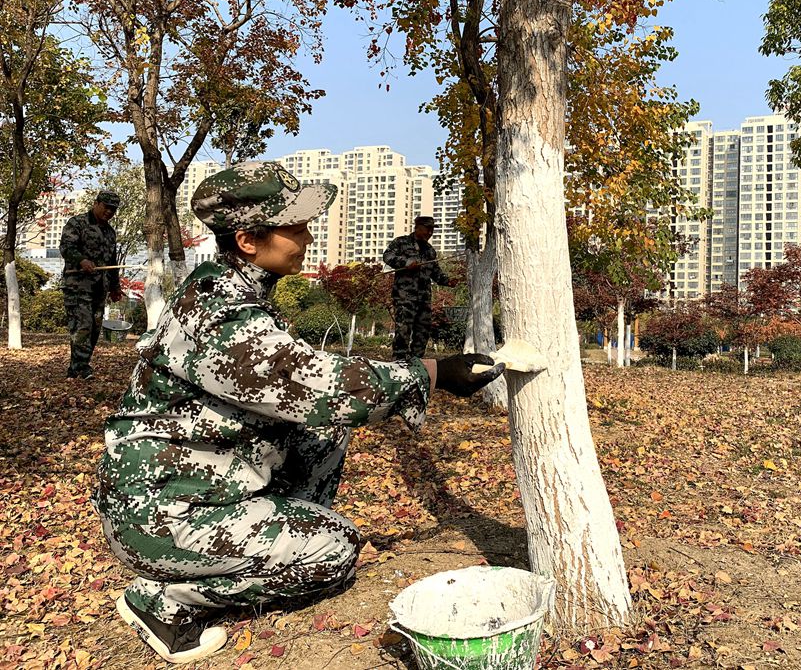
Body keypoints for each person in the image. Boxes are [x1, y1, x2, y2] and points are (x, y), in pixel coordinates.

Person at [94, 162, 503, 664]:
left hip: (195, 488)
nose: (307, 238)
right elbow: (316, 386)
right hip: (165, 513)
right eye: (296, 228)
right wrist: (434, 373)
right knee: (335, 552)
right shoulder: (221, 312)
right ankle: (165, 601)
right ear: (248, 240)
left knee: (325, 432)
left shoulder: (229, 287)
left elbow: (303, 387)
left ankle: (282, 530)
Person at [59, 190, 123, 379]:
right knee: (82, 326)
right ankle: (82, 367)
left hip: (99, 288)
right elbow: (66, 247)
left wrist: (115, 287)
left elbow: (112, 262)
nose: (109, 212)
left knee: (94, 328)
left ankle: (76, 368)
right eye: (106, 207)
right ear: (96, 203)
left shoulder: (110, 233)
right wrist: (81, 260)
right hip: (78, 286)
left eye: (113, 209)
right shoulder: (77, 223)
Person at [383, 216, 451, 359]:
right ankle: (399, 362)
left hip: (424, 299)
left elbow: (436, 273)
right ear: (418, 227)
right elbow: (387, 256)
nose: (430, 233)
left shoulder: (430, 251)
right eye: (427, 229)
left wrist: (448, 281)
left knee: (423, 332)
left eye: (432, 230)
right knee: (403, 331)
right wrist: (405, 262)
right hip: (405, 297)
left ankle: (416, 362)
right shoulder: (401, 242)